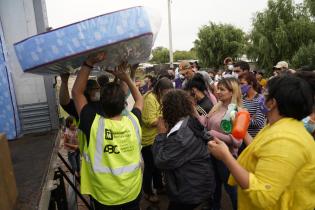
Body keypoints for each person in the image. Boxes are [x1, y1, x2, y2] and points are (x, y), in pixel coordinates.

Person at [208, 72, 315, 210]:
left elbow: (263, 196)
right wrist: (242, 129)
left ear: (272, 103)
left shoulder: (287, 139)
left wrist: (226, 156)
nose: (261, 97)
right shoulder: (277, 126)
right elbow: (260, 151)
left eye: (265, 93)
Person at [72, 53, 144, 210]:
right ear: (125, 103)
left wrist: (89, 62)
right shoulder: (133, 121)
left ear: (101, 105)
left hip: (105, 196)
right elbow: (140, 99)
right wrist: (125, 78)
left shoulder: (93, 124)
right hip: (132, 192)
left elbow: (77, 93)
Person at [152, 89, 215, 210]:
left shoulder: (181, 136)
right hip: (197, 186)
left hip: (189, 193)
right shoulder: (189, 121)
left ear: (170, 109)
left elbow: (161, 161)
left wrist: (160, 135)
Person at [206, 77, 242, 210]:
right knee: (214, 186)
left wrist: (213, 134)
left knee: (231, 190)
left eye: (222, 89)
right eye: (218, 89)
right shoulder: (217, 106)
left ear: (232, 92)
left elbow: (237, 142)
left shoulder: (237, 111)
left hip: (226, 157)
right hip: (212, 153)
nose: (218, 92)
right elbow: (206, 123)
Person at [141, 77, 174, 202]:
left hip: (158, 137)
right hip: (149, 139)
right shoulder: (150, 99)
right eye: (166, 92)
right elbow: (149, 120)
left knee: (157, 165)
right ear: (160, 90)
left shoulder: (158, 97)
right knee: (149, 166)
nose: (167, 95)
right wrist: (166, 120)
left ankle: (159, 187)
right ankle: (147, 192)